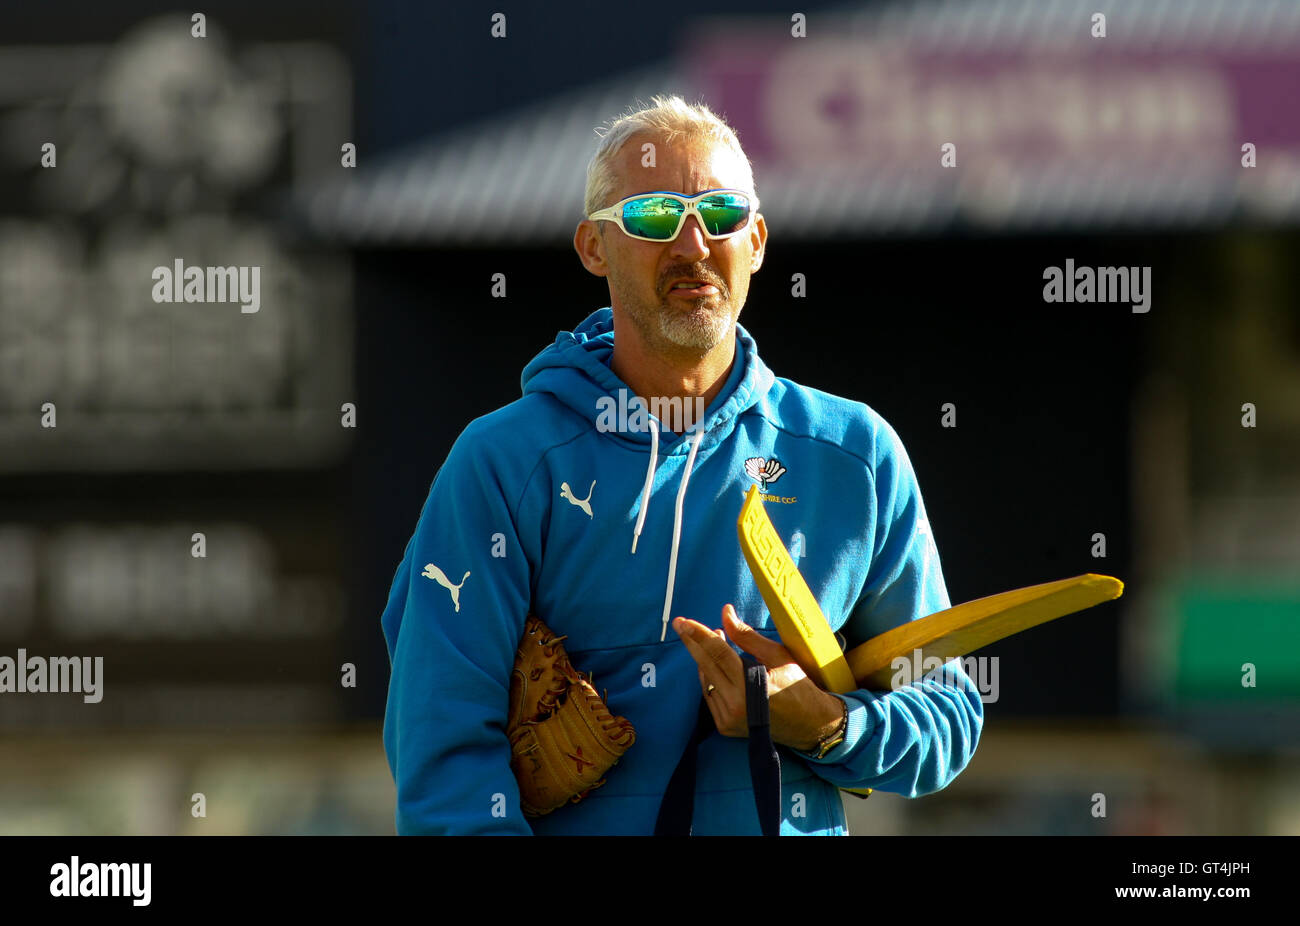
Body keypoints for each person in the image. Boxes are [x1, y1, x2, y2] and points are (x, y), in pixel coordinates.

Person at [380, 95, 983, 835]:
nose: (694, 246)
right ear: (594, 248)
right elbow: (443, 754)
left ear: (756, 241)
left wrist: (823, 725)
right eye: (656, 217)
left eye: (722, 216)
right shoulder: (503, 463)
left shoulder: (855, 454)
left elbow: (947, 714)